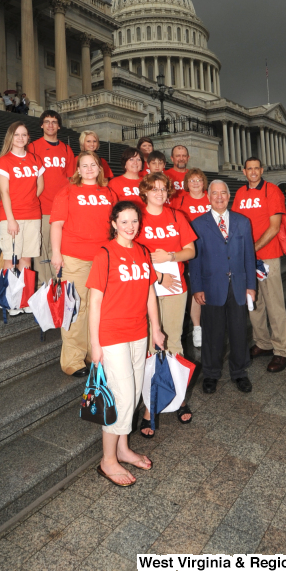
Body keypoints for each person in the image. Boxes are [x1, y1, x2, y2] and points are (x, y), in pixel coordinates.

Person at [88, 201, 165, 487]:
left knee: (132, 394)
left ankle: (122, 448)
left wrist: (155, 329)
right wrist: (95, 344)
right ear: (114, 223)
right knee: (122, 397)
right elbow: (94, 302)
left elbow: (149, 293)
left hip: (138, 332)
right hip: (112, 335)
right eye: (124, 222)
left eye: (134, 221)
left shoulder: (143, 252)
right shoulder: (105, 254)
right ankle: (107, 460)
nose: (130, 227)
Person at [137, 172, 196, 435]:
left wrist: (170, 254)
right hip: (146, 286)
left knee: (173, 341)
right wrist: (154, 265)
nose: (160, 193)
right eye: (154, 189)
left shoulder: (177, 216)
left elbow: (191, 251)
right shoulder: (137, 217)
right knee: (151, 344)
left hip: (174, 286)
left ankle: (179, 396)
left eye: (163, 189)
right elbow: (132, 254)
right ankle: (151, 405)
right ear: (145, 191)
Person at [50, 151, 115, 377]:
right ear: (77, 170)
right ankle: (73, 360)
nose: (89, 169)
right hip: (74, 257)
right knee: (76, 308)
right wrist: (56, 254)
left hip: (102, 258)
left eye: (93, 165)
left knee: (97, 308)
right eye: (84, 166)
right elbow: (56, 225)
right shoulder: (67, 191)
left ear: (100, 168)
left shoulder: (108, 192)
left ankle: (91, 352)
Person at [189, 180, 256, 394]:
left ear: (229, 196)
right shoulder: (198, 224)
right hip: (211, 287)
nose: (219, 197)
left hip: (238, 286)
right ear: (208, 197)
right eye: (215, 193)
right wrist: (197, 287)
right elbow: (195, 260)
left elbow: (249, 256)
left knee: (238, 332)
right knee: (212, 333)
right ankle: (210, 373)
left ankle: (239, 372)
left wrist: (251, 286)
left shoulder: (242, 221)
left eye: (223, 193)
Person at [232, 156, 286, 372]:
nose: (254, 172)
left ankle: (281, 351)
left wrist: (252, 248)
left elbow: (275, 227)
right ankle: (263, 343)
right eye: (250, 169)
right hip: (247, 258)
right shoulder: (240, 193)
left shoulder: (272, 191)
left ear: (262, 170)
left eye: (257, 168)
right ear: (244, 172)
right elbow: (236, 222)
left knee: (274, 304)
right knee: (254, 303)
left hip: (267, 256)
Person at [0, 122, 45, 314]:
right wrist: (11, 218)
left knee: (26, 260)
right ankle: (8, 300)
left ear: (28, 138)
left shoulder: (35, 159)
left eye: (24, 135)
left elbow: (40, 186)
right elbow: (4, 192)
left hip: (32, 215)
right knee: (10, 260)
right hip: (10, 216)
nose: (21, 138)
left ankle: (24, 300)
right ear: (10, 137)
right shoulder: (4, 161)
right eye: (17, 135)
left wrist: (29, 200)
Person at [30, 111, 75, 285]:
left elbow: (71, 178)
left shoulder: (66, 149)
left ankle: (58, 285)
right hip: (42, 206)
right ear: (41, 125)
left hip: (63, 207)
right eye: (47, 122)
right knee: (43, 250)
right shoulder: (33, 147)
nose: (50, 125)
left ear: (59, 126)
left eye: (54, 122)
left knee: (60, 248)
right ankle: (44, 287)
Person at [171, 168, 211, 348]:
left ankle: (212, 324)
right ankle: (197, 327)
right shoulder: (180, 200)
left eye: (199, 180)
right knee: (196, 289)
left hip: (212, 250)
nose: (196, 183)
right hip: (191, 251)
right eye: (192, 180)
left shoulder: (211, 197)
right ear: (186, 183)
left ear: (204, 182)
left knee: (212, 287)